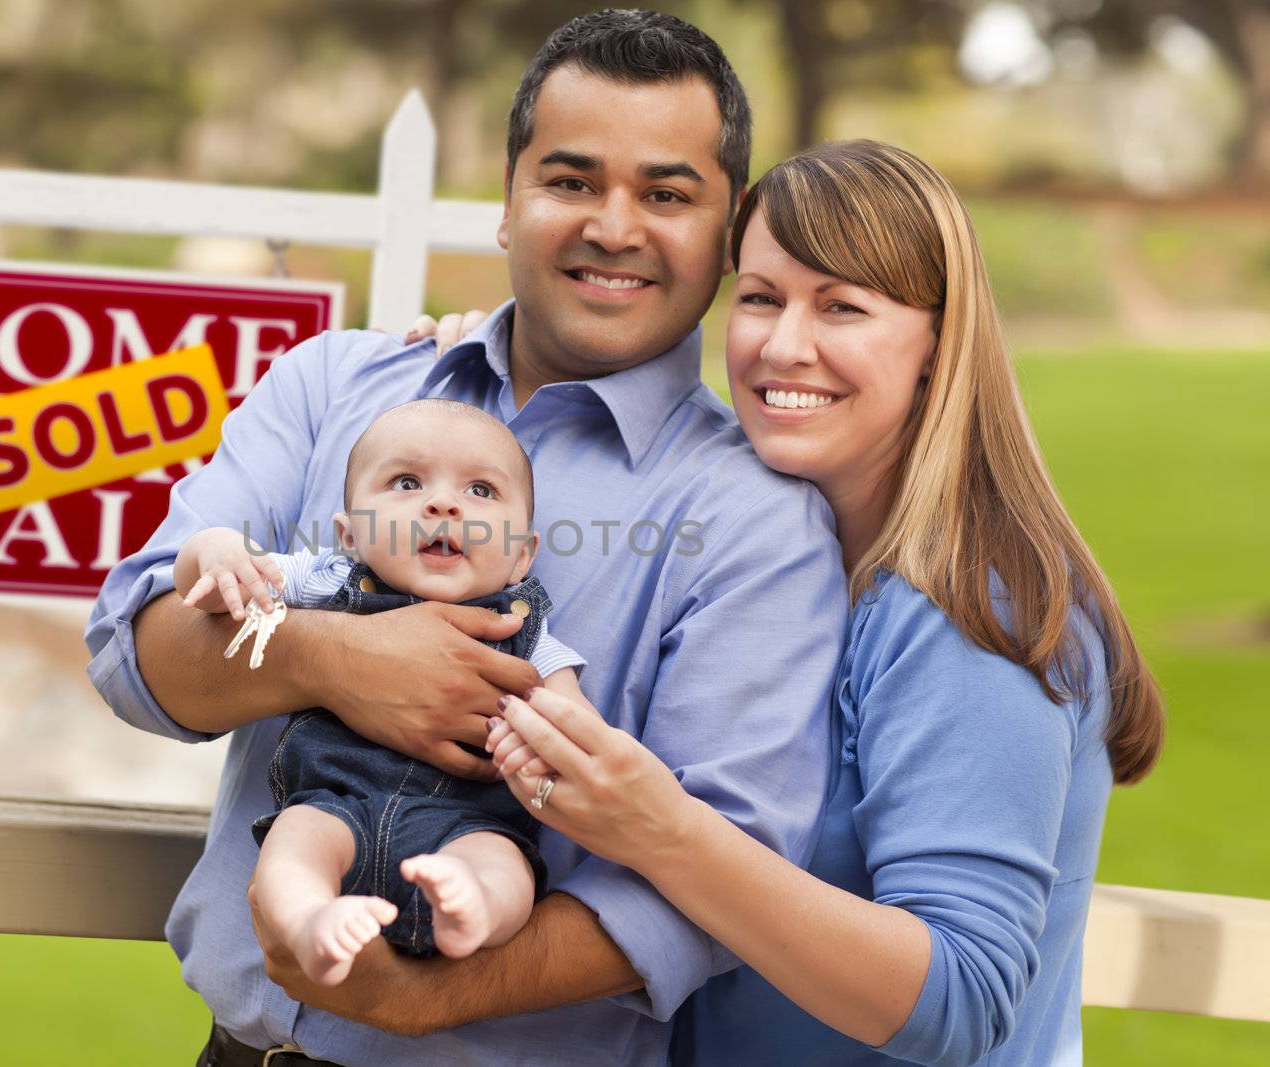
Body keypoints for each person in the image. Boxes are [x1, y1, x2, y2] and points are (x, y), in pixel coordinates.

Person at [84, 10, 848, 1066]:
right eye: (571, 181)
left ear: (727, 233)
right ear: (506, 203)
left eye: (666, 194)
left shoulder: (758, 520)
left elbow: (722, 878)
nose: (612, 226)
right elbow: (133, 653)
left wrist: (428, 996)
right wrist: (334, 656)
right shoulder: (332, 386)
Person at [483, 139, 1166, 1067]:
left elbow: (962, 999)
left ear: (938, 344)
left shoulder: (968, 608)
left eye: (842, 306)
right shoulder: (772, 563)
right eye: (760, 296)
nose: (782, 344)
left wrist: (662, 830)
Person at [174, 399, 592, 985]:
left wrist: (555, 742)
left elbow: (572, 723)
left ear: (522, 554)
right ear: (350, 533)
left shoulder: (526, 627)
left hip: (468, 823)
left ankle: (471, 909)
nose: (443, 505)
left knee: (505, 869)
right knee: (292, 849)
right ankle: (309, 923)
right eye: (406, 481)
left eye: (481, 491)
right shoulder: (325, 579)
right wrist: (215, 551)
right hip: (333, 804)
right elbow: (214, 582)